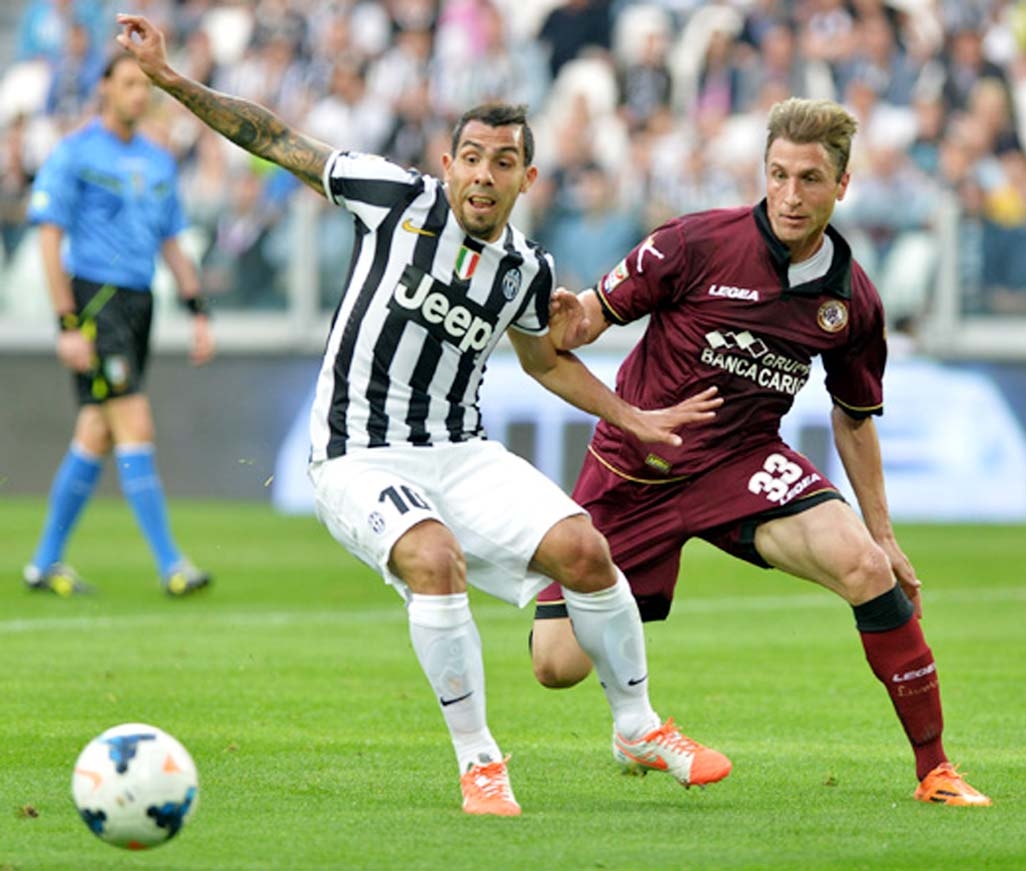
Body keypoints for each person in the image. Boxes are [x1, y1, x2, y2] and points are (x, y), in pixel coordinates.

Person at [116, 14, 732, 817]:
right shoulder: (394, 198)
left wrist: (632, 415)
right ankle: (480, 762)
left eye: (502, 163)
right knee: (434, 558)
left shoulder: (524, 270)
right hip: (356, 454)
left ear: (527, 179)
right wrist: (170, 81)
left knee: (586, 550)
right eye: (471, 159)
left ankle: (637, 726)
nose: (483, 175)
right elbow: (275, 139)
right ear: (447, 163)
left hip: (457, 450)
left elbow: (545, 359)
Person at [530, 97, 992, 808]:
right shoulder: (693, 243)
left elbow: (856, 417)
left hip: (741, 463)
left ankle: (935, 769)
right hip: (635, 464)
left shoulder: (851, 301)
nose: (790, 194)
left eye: (810, 178)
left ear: (842, 185)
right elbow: (594, 313)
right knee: (554, 666)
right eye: (777, 174)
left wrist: (885, 531)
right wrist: (572, 318)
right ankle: (631, 727)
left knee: (866, 567)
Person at [23, 51, 215, 598]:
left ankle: (43, 564)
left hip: (139, 304)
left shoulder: (158, 161)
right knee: (134, 422)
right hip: (95, 301)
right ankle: (172, 564)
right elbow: (48, 237)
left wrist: (198, 310)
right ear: (103, 87)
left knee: (97, 431)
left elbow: (172, 241)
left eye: (144, 85)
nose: (138, 93)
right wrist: (66, 322)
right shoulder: (75, 154)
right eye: (128, 83)